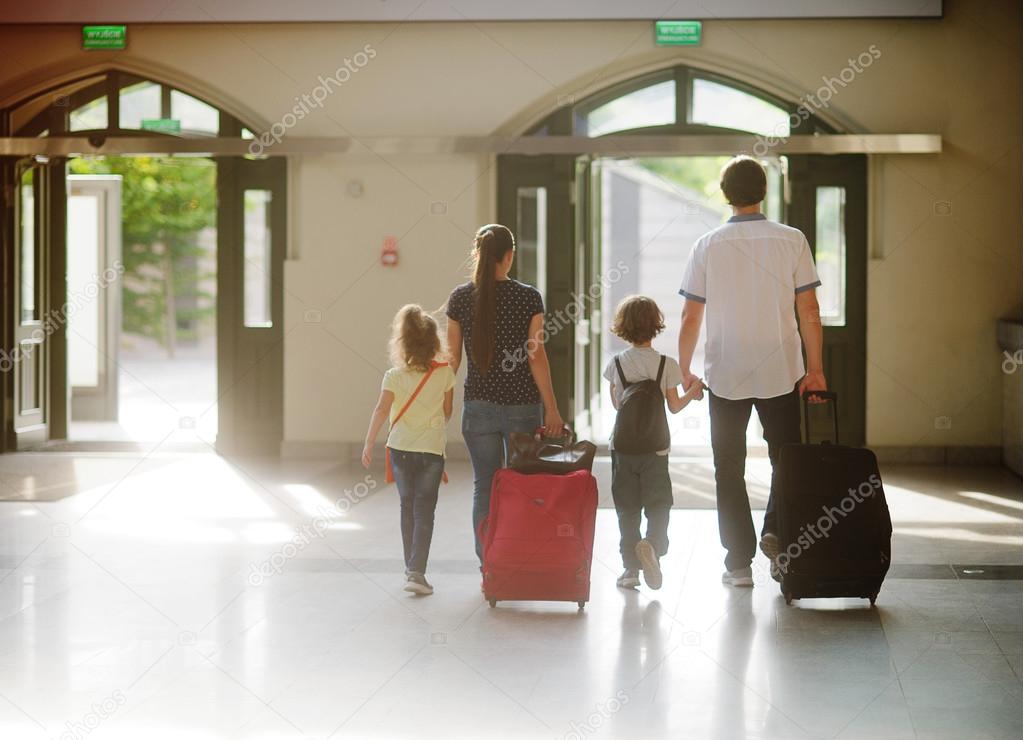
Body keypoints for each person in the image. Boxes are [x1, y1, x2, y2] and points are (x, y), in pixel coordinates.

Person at [677, 155, 827, 588]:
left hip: (725, 370)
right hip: (781, 368)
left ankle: (738, 564)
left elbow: (690, 317)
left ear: (726, 195)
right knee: (787, 459)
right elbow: (810, 309)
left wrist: (686, 370)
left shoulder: (707, 244)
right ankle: (778, 535)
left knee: (728, 465)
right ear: (764, 191)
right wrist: (814, 369)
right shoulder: (792, 239)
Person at [446, 224, 566, 564]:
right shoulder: (529, 297)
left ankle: (488, 562)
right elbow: (535, 355)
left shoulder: (459, 298)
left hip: (478, 407)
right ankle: (516, 556)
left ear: (479, 255)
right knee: (519, 485)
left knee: (484, 485)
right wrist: (552, 409)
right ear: (509, 256)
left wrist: (442, 400)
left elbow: (452, 359)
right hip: (522, 409)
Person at [604, 295, 704, 591]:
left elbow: (617, 404)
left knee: (627, 507)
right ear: (655, 326)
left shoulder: (617, 364)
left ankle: (630, 570)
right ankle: (652, 545)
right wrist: (694, 391)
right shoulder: (666, 365)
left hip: (622, 449)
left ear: (624, 327)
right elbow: (673, 406)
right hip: (656, 449)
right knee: (659, 504)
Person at [362, 304, 455, 595]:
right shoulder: (444, 374)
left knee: (407, 507)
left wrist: (368, 442)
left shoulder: (393, 376)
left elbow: (381, 409)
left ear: (403, 342)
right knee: (424, 510)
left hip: (399, 449)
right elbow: (448, 411)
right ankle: (417, 572)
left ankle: (410, 570)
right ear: (434, 342)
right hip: (430, 451)